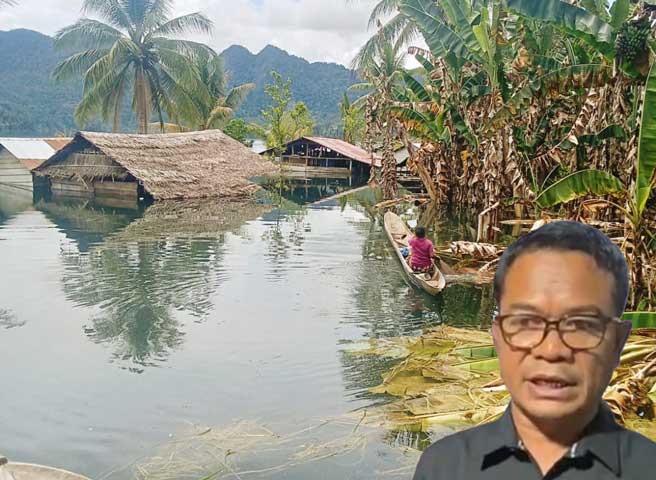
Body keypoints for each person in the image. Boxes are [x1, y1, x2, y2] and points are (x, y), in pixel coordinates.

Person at [412, 221, 656, 479]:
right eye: (526, 323)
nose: (551, 350)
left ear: (617, 342)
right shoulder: (443, 468)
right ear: (498, 337)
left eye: (581, 325)